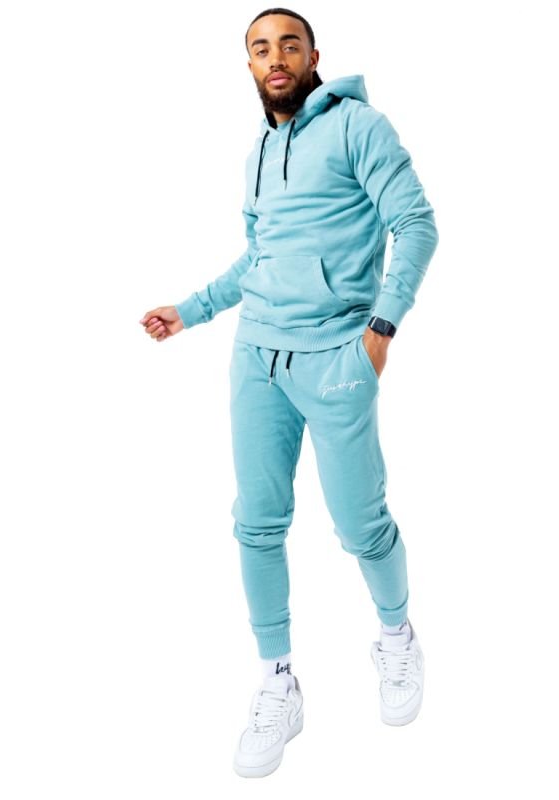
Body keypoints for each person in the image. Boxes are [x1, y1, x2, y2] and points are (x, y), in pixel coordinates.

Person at [139, 7, 439, 778]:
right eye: (260, 48)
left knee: (361, 524)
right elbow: (259, 258)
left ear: (313, 55)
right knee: (256, 526)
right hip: (256, 359)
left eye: (289, 45)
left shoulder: (358, 126)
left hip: (337, 357)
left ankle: (397, 637)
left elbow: (416, 222)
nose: (275, 58)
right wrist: (191, 309)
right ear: (249, 65)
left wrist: (380, 329)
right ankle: (279, 682)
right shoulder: (261, 151)